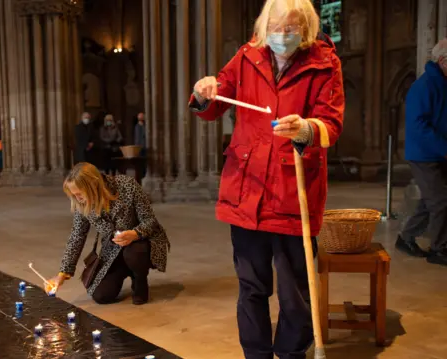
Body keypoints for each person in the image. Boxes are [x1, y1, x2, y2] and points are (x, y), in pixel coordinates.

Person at [189, 0, 344, 358]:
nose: (281, 35)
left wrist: (306, 128)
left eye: (290, 28)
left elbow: (331, 125)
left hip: (294, 193)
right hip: (247, 191)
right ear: (263, 27)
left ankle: (291, 354)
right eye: (275, 27)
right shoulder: (247, 56)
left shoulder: (324, 63)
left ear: (305, 29)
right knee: (252, 288)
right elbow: (215, 101)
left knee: (296, 296)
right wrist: (204, 91)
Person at [46, 163, 170, 305]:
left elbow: (150, 221)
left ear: (93, 186)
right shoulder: (82, 204)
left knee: (134, 254)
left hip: (139, 243)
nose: (77, 198)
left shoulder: (126, 185)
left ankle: (139, 280)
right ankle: (124, 269)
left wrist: (135, 233)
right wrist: (62, 274)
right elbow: (77, 236)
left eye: (79, 193)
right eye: (74, 195)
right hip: (113, 248)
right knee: (101, 295)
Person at [397, 38, 447, 266]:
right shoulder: (425, 85)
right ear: (443, 61)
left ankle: (406, 237)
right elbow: (419, 126)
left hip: (437, 152)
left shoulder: (442, 82)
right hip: (423, 154)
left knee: (430, 201)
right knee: (441, 202)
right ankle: (439, 249)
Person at [134, 112, 147, 176]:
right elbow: (137, 137)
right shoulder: (137, 126)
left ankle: (144, 173)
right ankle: (141, 174)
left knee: (145, 162)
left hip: (145, 146)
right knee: (140, 163)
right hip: (140, 147)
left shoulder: (145, 125)